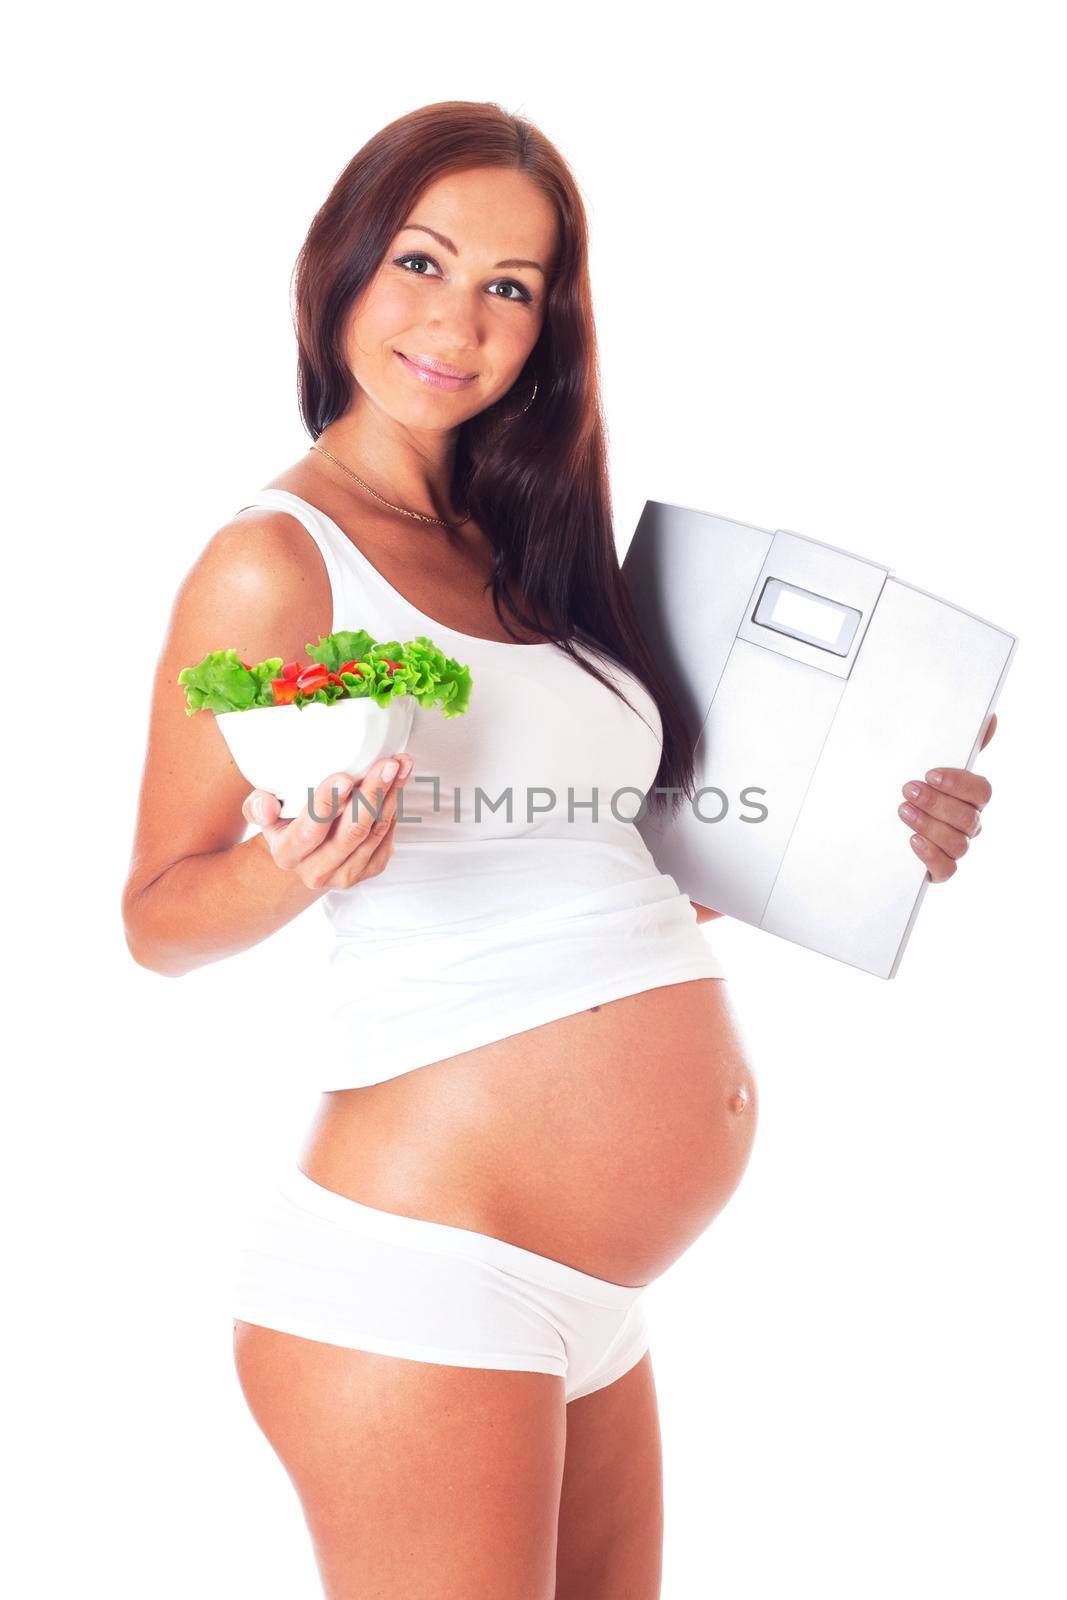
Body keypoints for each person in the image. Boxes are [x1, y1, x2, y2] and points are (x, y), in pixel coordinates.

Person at [120, 101, 997, 1600]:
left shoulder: (531, 553)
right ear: (339, 270)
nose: (457, 321)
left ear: (548, 324)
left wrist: (873, 826)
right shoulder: (277, 558)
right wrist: (295, 868)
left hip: (592, 1297)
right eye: (422, 261)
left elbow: (602, 883)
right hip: (422, 1277)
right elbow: (156, 916)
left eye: (511, 288)